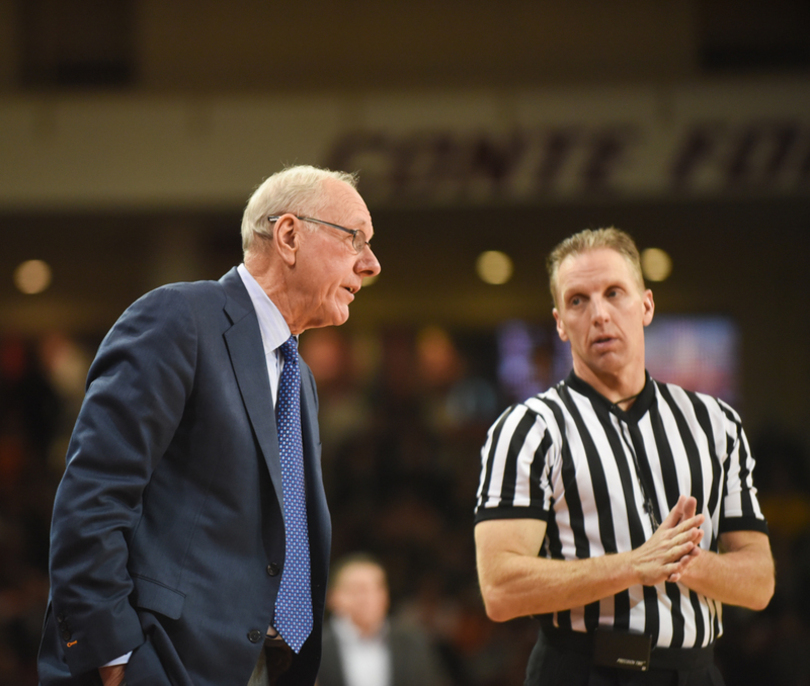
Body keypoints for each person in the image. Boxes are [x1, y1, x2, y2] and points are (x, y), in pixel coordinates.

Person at [37, 165, 381, 686]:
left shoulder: (300, 378)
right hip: (165, 664)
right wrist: (115, 661)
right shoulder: (178, 318)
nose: (371, 264)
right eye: (356, 237)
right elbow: (93, 496)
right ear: (289, 236)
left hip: (264, 666)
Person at [474, 228, 774, 685]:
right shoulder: (528, 429)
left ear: (646, 305)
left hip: (696, 672)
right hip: (581, 670)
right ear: (559, 322)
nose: (599, 315)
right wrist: (633, 564)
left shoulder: (716, 423)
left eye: (614, 293)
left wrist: (683, 559)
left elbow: (758, 583)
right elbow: (499, 590)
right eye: (578, 300)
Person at [318, 553, 449, 686]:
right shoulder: (316, 647)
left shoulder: (413, 641)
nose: (369, 598)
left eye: (377, 588)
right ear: (333, 597)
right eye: (359, 589)